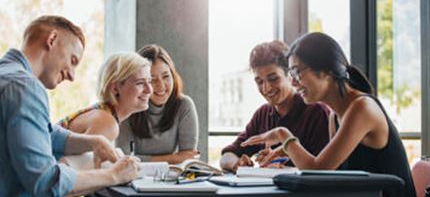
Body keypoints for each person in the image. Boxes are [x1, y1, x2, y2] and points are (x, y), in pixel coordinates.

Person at [241, 32, 416, 197]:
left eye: (297, 72)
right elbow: (328, 173)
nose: (293, 82)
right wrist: (287, 151)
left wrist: (283, 136)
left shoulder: (362, 108)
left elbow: (317, 170)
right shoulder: (335, 116)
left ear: (325, 70)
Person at [0, 15, 140, 196]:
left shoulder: (7, 75)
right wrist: (114, 175)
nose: (72, 76)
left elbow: (40, 134)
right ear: (52, 40)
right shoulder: (25, 88)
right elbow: (45, 183)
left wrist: (94, 141)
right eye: (73, 60)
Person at [220, 40, 330, 173]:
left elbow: (322, 170)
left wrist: (281, 166)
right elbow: (227, 155)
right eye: (259, 82)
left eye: (273, 79)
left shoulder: (316, 112)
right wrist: (236, 164)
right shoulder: (263, 114)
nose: (266, 88)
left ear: (290, 76)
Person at [116, 44, 199, 164]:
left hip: (171, 179)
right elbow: (124, 159)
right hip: (134, 178)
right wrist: (174, 158)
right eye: (152, 80)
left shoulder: (184, 105)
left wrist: (144, 159)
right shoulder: (128, 107)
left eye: (166, 76)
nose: (161, 86)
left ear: (173, 76)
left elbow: (188, 158)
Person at [56, 53, 153, 142]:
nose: (149, 90)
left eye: (149, 81)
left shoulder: (104, 114)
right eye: (140, 83)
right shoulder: (106, 123)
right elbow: (80, 161)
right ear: (115, 88)